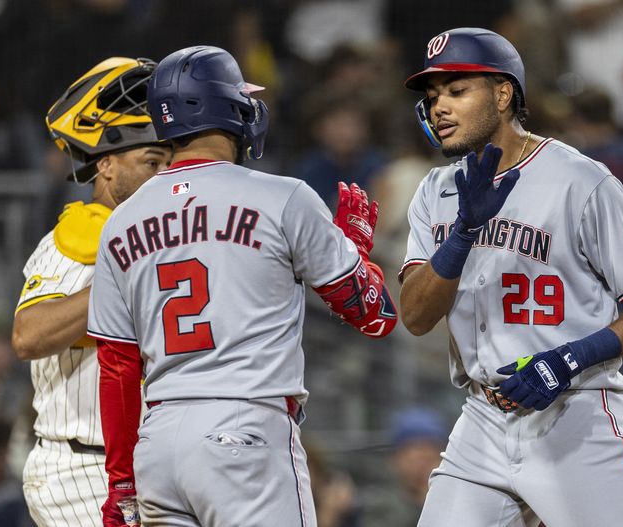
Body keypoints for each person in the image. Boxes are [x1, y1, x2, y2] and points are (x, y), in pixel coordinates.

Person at [85, 45, 397, 527]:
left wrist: (122, 483)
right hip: (245, 431)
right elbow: (374, 314)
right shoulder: (282, 196)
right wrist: (354, 251)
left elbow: (117, 367)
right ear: (230, 109)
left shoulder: (121, 221)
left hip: (159, 444)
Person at [399, 27, 623, 526]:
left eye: (457, 90)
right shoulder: (436, 191)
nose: (439, 107)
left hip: (576, 414)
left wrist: (569, 359)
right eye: (433, 96)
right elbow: (417, 316)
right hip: (482, 420)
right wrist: (464, 233)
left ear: (504, 93)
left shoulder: (580, 180)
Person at [10, 57, 171, 526]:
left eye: (169, 162)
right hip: (83, 466)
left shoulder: (162, 236)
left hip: (145, 467)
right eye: (150, 161)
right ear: (105, 165)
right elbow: (28, 336)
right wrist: (117, 279)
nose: (163, 175)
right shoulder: (84, 233)